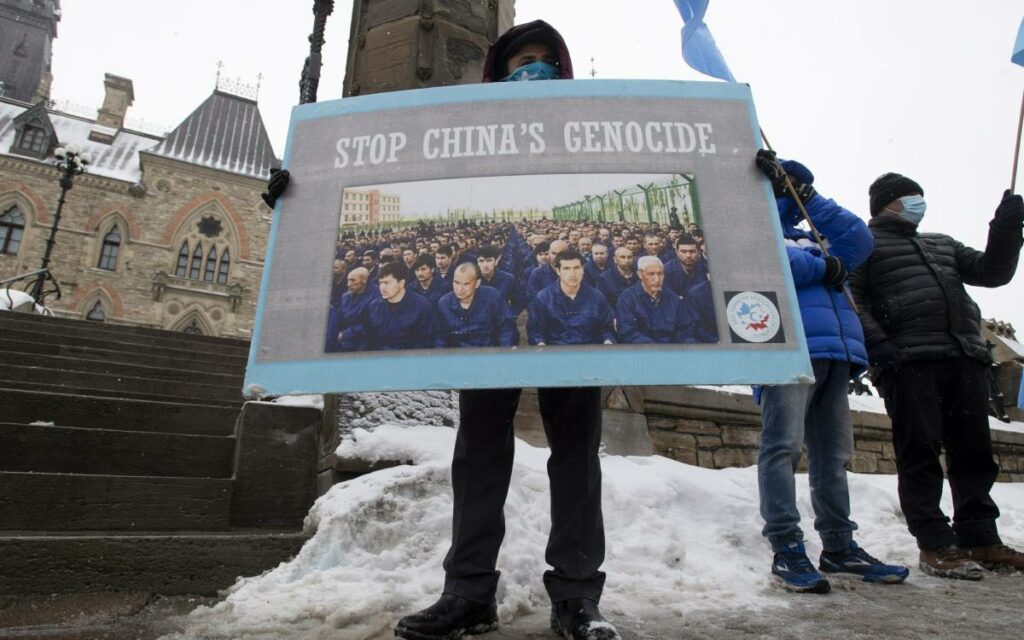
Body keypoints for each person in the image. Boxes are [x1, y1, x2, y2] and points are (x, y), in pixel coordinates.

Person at [395, 22, 621, 640]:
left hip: (564, 324)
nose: (537, 72)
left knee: (576, 455)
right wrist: (299, 192)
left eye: (549, 63)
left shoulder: (586, 141)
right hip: (490, 325)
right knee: (478, 456)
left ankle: (577, 597)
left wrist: (743, 174)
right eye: (524, 61)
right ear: (500, 72)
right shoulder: (471, 144)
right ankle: (468, 592)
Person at [849, 173, 1024, 579]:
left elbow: (991, 271)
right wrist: (882, 348)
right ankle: (934, 543)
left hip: (963, 356)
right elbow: (852, 298)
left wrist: (1006, 229)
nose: (918, 202)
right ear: (887, 203)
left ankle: (980, 535)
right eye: (910, 197)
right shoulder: (865, 245)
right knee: (920, 452)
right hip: (908, 362)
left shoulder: (941, 243)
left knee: (974, 454)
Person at [753, 150, 909, 593]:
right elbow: (772, 264)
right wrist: (826, 268)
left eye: (793, 185)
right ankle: (786, 547)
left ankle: (839, 546)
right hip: (783, 351)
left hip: (835, 353)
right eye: (783, 185)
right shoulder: (755, 229)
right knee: (782, 447)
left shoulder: (811, 233)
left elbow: (859, 242)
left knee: (833, 456)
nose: (786, 193)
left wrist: (808, 197)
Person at [528, 249, 615, 347]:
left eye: (576, 268)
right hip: (556, 351)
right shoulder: (543, 298)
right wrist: (541, 345)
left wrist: (608, 341)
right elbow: (536, 330)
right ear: (558, 271)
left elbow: (606, 327)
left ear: (583, 270)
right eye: (566, 268)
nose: (572, 274)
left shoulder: (597, 297)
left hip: (589, 350)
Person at [615, 256, 697, 344]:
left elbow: (684, 329)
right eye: (651, 274)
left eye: (660, 274)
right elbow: (628, 332)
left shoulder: (673, 298)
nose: (657, 279)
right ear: (640, 275)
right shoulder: (627, 298)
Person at [434, 263, 517, 348]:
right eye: (456, 283)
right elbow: (440, 337)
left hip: (489, 352)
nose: (460, 288)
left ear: (477, 283)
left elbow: (506, 327)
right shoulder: (444, 304)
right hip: (458, 354)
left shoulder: (492, 297)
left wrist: (505, 351)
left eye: (466, 284)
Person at [362, 261, 434, 351]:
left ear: (401, 283)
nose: (382, 287)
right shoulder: (373, 307)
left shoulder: (422, 306)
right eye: (380, 283)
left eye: (387, 283)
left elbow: (425, 341)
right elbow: (367, 339)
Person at [324, 267, 377, 352]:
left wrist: (345, 334)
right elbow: (340, 317)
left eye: (353, 280)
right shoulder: (345, 296)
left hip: (366, 340)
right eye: (348, 280)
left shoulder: (376, 296)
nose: (348, 284)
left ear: (364, 280)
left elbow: (370, 324)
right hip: (345, 337)